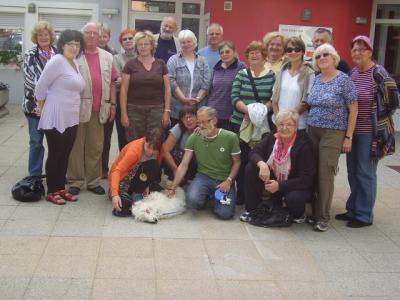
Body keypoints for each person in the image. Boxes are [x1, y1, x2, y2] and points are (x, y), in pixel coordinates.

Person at [336, 35, 399, 228]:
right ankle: (353, 209)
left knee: (366, 172)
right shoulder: (354, 73)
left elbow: (393, 100)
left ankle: (364, 215)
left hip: (370, 133)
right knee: (353, 171)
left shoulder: (378, 72)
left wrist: (379, 117)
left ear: (370, 51)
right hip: (353, 130)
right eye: (354, 49)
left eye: (362, 49)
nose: (357, 53)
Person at [306, 43, 358, 232]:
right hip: (312, 130)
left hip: (333, 132)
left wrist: (348, 137)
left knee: (325, 174)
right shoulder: (316, 79)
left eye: (325, 54)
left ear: (334, 57)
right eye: (318, 56)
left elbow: (353, 110)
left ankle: (322, 216)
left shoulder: (344, 80)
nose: (321, 58)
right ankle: (310, 211)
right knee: (311, 171)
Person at [34, 30, 86, 204]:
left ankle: (61, 188)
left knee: (65, 153)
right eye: (70, 43)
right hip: (56, 114)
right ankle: (52, 190)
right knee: (56, 153)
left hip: (71, 115)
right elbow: (40, 86)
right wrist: (41, 107)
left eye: (77, 44)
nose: (74, 47)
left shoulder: (75, 63)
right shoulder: (57, 61)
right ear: (62, 45)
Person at [240, 110, 316, 226]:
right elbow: (254, 152)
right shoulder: (273, 136)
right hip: (275, 178)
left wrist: (280, 186)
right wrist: (262, 164)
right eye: (281, 124)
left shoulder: (304, 144)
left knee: (294, 198)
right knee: (251, 168)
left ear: (296, 127)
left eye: (289, 124)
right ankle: (251, 209)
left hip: (296, 184)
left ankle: (298, 214)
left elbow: (306, 179)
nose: (284, 128)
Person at [67, 22, 118, 196]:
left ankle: (93, 181)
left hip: (99, 109)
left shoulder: (107, 57)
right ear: (82, 35)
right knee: (76, 146)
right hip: (78, 109)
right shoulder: (74, 56)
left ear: (99, 36)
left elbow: (113, 81)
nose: (91, 36)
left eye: (94, 33)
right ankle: (75, 180)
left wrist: (113, 104)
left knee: (95, 147)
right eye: (87, 33)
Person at [167, 106, 241, 220]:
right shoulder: (195, 137)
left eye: (204, 122)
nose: (200, 126)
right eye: (199, 122)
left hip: (224, 179)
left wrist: (229, 180)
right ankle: (210, 196)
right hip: (203, 177)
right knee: (192, 202)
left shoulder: (230, 137)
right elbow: (184, 164)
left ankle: (216, 197)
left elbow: (237, 162)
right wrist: (172, 188)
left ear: (214, 120)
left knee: (224, 214)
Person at [231, 40, 275, 204]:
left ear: (264, 55)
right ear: (247, 56)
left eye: (258, 52)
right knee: (241, 160)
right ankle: (241, 193)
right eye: (251, 52)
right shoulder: (241, 74)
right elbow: (234, 97)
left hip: (261, 126)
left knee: (259, 159)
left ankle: (258, 194)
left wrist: (261, 111)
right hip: (241, 124)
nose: (255, 55)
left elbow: (273, 98)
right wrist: (249, 111)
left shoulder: (271, 76)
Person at [120, 31, 171, 142]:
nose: (143, 47)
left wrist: (167, 111)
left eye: (146, 44)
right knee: (135, 144)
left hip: (157, 110)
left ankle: (153, 161)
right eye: (140, 44)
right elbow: (123, 90)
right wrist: (123, 113)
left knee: (155, 143)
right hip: (134, 111)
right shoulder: (129, 65)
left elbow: (167, 89)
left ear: (152, 45)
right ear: (136, 47)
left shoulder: (161, 64)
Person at [22, 20, 57, 177]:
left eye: (46, 34)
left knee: (56, 144)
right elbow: (30, 81)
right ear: (36, 37)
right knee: (36, 142)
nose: (44, 37)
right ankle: (35, 174)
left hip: (55, 108)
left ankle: (54, 173)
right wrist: (44, 99)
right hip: (34, 106)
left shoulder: (58, 54)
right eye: (40, 35)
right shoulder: (30, 55)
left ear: (51, 36)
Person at [109, 128, 165, 217]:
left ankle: (140, 192)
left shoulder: (160, 150)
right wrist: (115, 194)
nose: (150, 152)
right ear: (145, 139)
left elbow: (156, 168)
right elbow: (116, 171)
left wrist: (148, 184)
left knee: (154, 167)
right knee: (124, 204)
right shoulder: (134, 151)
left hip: (139, 175)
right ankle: (134, 195)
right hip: (123, 179)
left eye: (154, 149)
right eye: (148, 147)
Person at [167, 29, 210, 126]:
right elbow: (170, 80)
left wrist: (198, 99)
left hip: (198, 110)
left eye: (189, 41)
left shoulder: (202, 61)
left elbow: (206, 82)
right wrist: (183, 99)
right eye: (183, 42)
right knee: (176, 137)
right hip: (177, 109)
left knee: (196, 137)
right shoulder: (173, 60)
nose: (186, 44)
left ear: (194, 43)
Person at [271, 36, 315, 130]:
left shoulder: (309, 73)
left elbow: (306, 102)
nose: (293, 52)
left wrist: (288, 119)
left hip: (298, 124)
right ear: (286, 53)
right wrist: (279, 119)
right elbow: (274, 99)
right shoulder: (282, 71)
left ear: (303, 52)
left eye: (297, 49)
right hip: (278, 123)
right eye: (289, 50)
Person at [207, 40, 246, 130]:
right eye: (222, 53)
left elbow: (244, 92)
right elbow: (210, 91)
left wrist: (236, 113)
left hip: (230, 116)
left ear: (234, 52)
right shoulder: (216, 68)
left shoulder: (241, 67)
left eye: (227, 52)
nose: (224, 54)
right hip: (213, 114)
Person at [98, 22, 118, 178]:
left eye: (105, 36)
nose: (102, 38)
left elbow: (116, 77)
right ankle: (89, 167)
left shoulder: (113, 54)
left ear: (109, 38)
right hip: (92, 101)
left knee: (106, 137)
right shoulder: (86, 52)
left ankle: (103, 168)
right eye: (100, 35)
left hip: (108, 100)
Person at [113, 28, 136, 151]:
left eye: (130, 38)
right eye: (124, 39)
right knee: (123, 136)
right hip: (122, 102)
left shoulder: (143, 56)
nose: (127, 41)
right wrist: (138, 78)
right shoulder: (116, 58)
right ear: (121, 43)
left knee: (137, 137)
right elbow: (117, 81)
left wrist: (125, 79)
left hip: (139, 102)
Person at [163, 105, 198, 182]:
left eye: (191, 116)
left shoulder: (204, 129)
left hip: (196, 167)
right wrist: (175, 170)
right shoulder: (178, 128)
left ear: (197, 117)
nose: (188, 120)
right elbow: (165, 150)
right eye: (184, 118)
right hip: (177, 164)